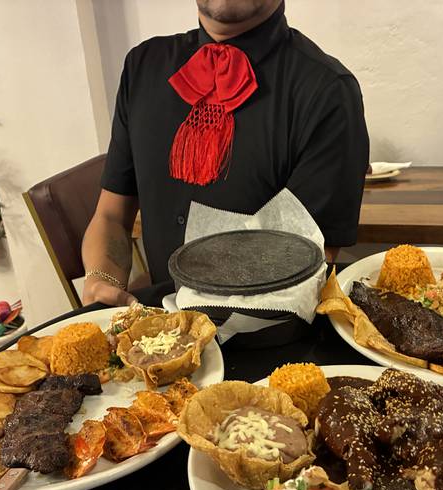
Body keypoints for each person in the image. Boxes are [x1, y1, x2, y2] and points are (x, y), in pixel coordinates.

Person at [82, 0, 369, 306]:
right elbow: (111, 215)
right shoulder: (142, 67)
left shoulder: (329, 93)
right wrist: (103, 280)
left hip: (267, 341)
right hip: (161, 331)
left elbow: (304, 264)